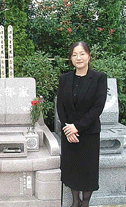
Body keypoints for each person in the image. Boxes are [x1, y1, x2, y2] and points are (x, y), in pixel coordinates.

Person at [57, 41, 107, 207]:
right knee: (72, 170)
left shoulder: (99, 78)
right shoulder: (64, 79)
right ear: (71, 58)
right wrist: (69, 130)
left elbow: (97, 107)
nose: (78, 57)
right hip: (69, 134)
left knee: (87, 172)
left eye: (82, 54)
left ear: (89, 56)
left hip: (88, 134)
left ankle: (85, 203)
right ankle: (75, 202)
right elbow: (60, 107)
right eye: (74, 54)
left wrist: (77, 127)